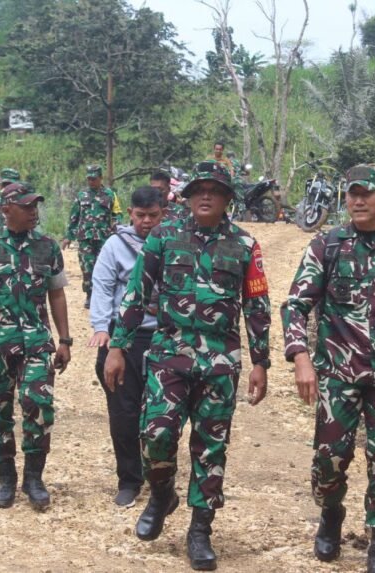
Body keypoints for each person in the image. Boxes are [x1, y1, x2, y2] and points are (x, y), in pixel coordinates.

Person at [104, 161, 272, 571]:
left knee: (210, 447)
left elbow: (257, 305)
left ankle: (200, 530)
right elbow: (136, 293)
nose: (206, 196)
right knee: (156, 434)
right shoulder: (163, 237)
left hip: (219, 362)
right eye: (199, 189)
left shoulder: (246, 245)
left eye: (215, 190)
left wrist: (260, 361)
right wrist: (117, 346)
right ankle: (162, 494)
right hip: (168, 355)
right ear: (186, 195)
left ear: (228, 198)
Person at [280, 164, 375, 572]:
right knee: (329, 457)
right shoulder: (327, 246)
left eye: (367, 192)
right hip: (337, 371)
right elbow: (296, 305)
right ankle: (331, 513)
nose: (358, 200)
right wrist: (301, 357)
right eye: (352, 193)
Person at [0, 182, 72, 511]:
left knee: (38, 405)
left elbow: (57, 294)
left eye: (36, 204)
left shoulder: (47, 247)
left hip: (36, 342)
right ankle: (5, 478)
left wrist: (64, 340)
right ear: (7, 209)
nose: (34, 210)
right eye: (27, 205)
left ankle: (34, 478)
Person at [88, 186, 164, 508]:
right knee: (123, 413)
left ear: (164, 214)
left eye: (153, 215)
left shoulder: (173, 244)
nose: (146, 222)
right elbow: (103, 287)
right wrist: (102, 328)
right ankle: (129, 480)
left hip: (164, 337)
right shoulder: (114, 246)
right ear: (130, 214)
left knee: (162, 414)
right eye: (140, 215)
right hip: (124, 339)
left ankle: (162, 477)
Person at [61, 164, 123, 309]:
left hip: (104, 237)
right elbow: (74, 217)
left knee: (104, 267)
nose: (91, 182)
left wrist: (117, 227)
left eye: (94, 179)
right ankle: (89, 294)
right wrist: (68, 236)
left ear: (101, 178)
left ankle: (104, 295)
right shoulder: (82, 196)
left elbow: (117, 214)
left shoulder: (110, 195)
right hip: (85, 238)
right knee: (87, 267)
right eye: (89, 179)